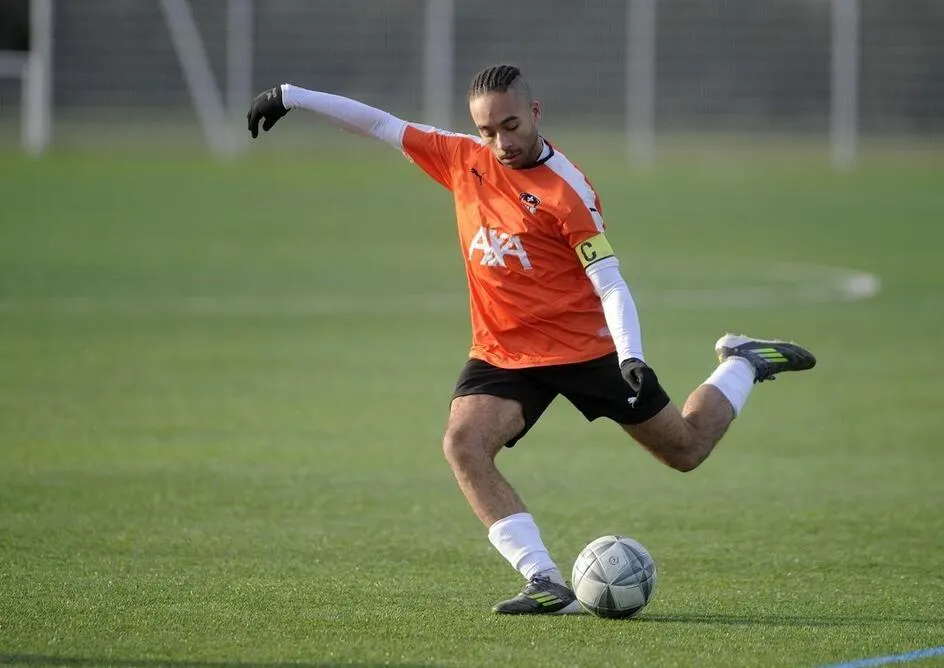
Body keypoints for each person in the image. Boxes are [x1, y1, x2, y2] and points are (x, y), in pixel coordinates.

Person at [247, 64, 816, 615]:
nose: (501, 142)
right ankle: (543, 579)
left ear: (535, 112)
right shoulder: (461, 158)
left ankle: (742, 362)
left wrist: (631, 356)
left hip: (586, 351)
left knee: (686, 450)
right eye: (487, 130)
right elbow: (379, 124)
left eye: (511, 125)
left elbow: (610, 282)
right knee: (463, 444)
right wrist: (292, 95)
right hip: (503, 352)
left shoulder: (568, 191)